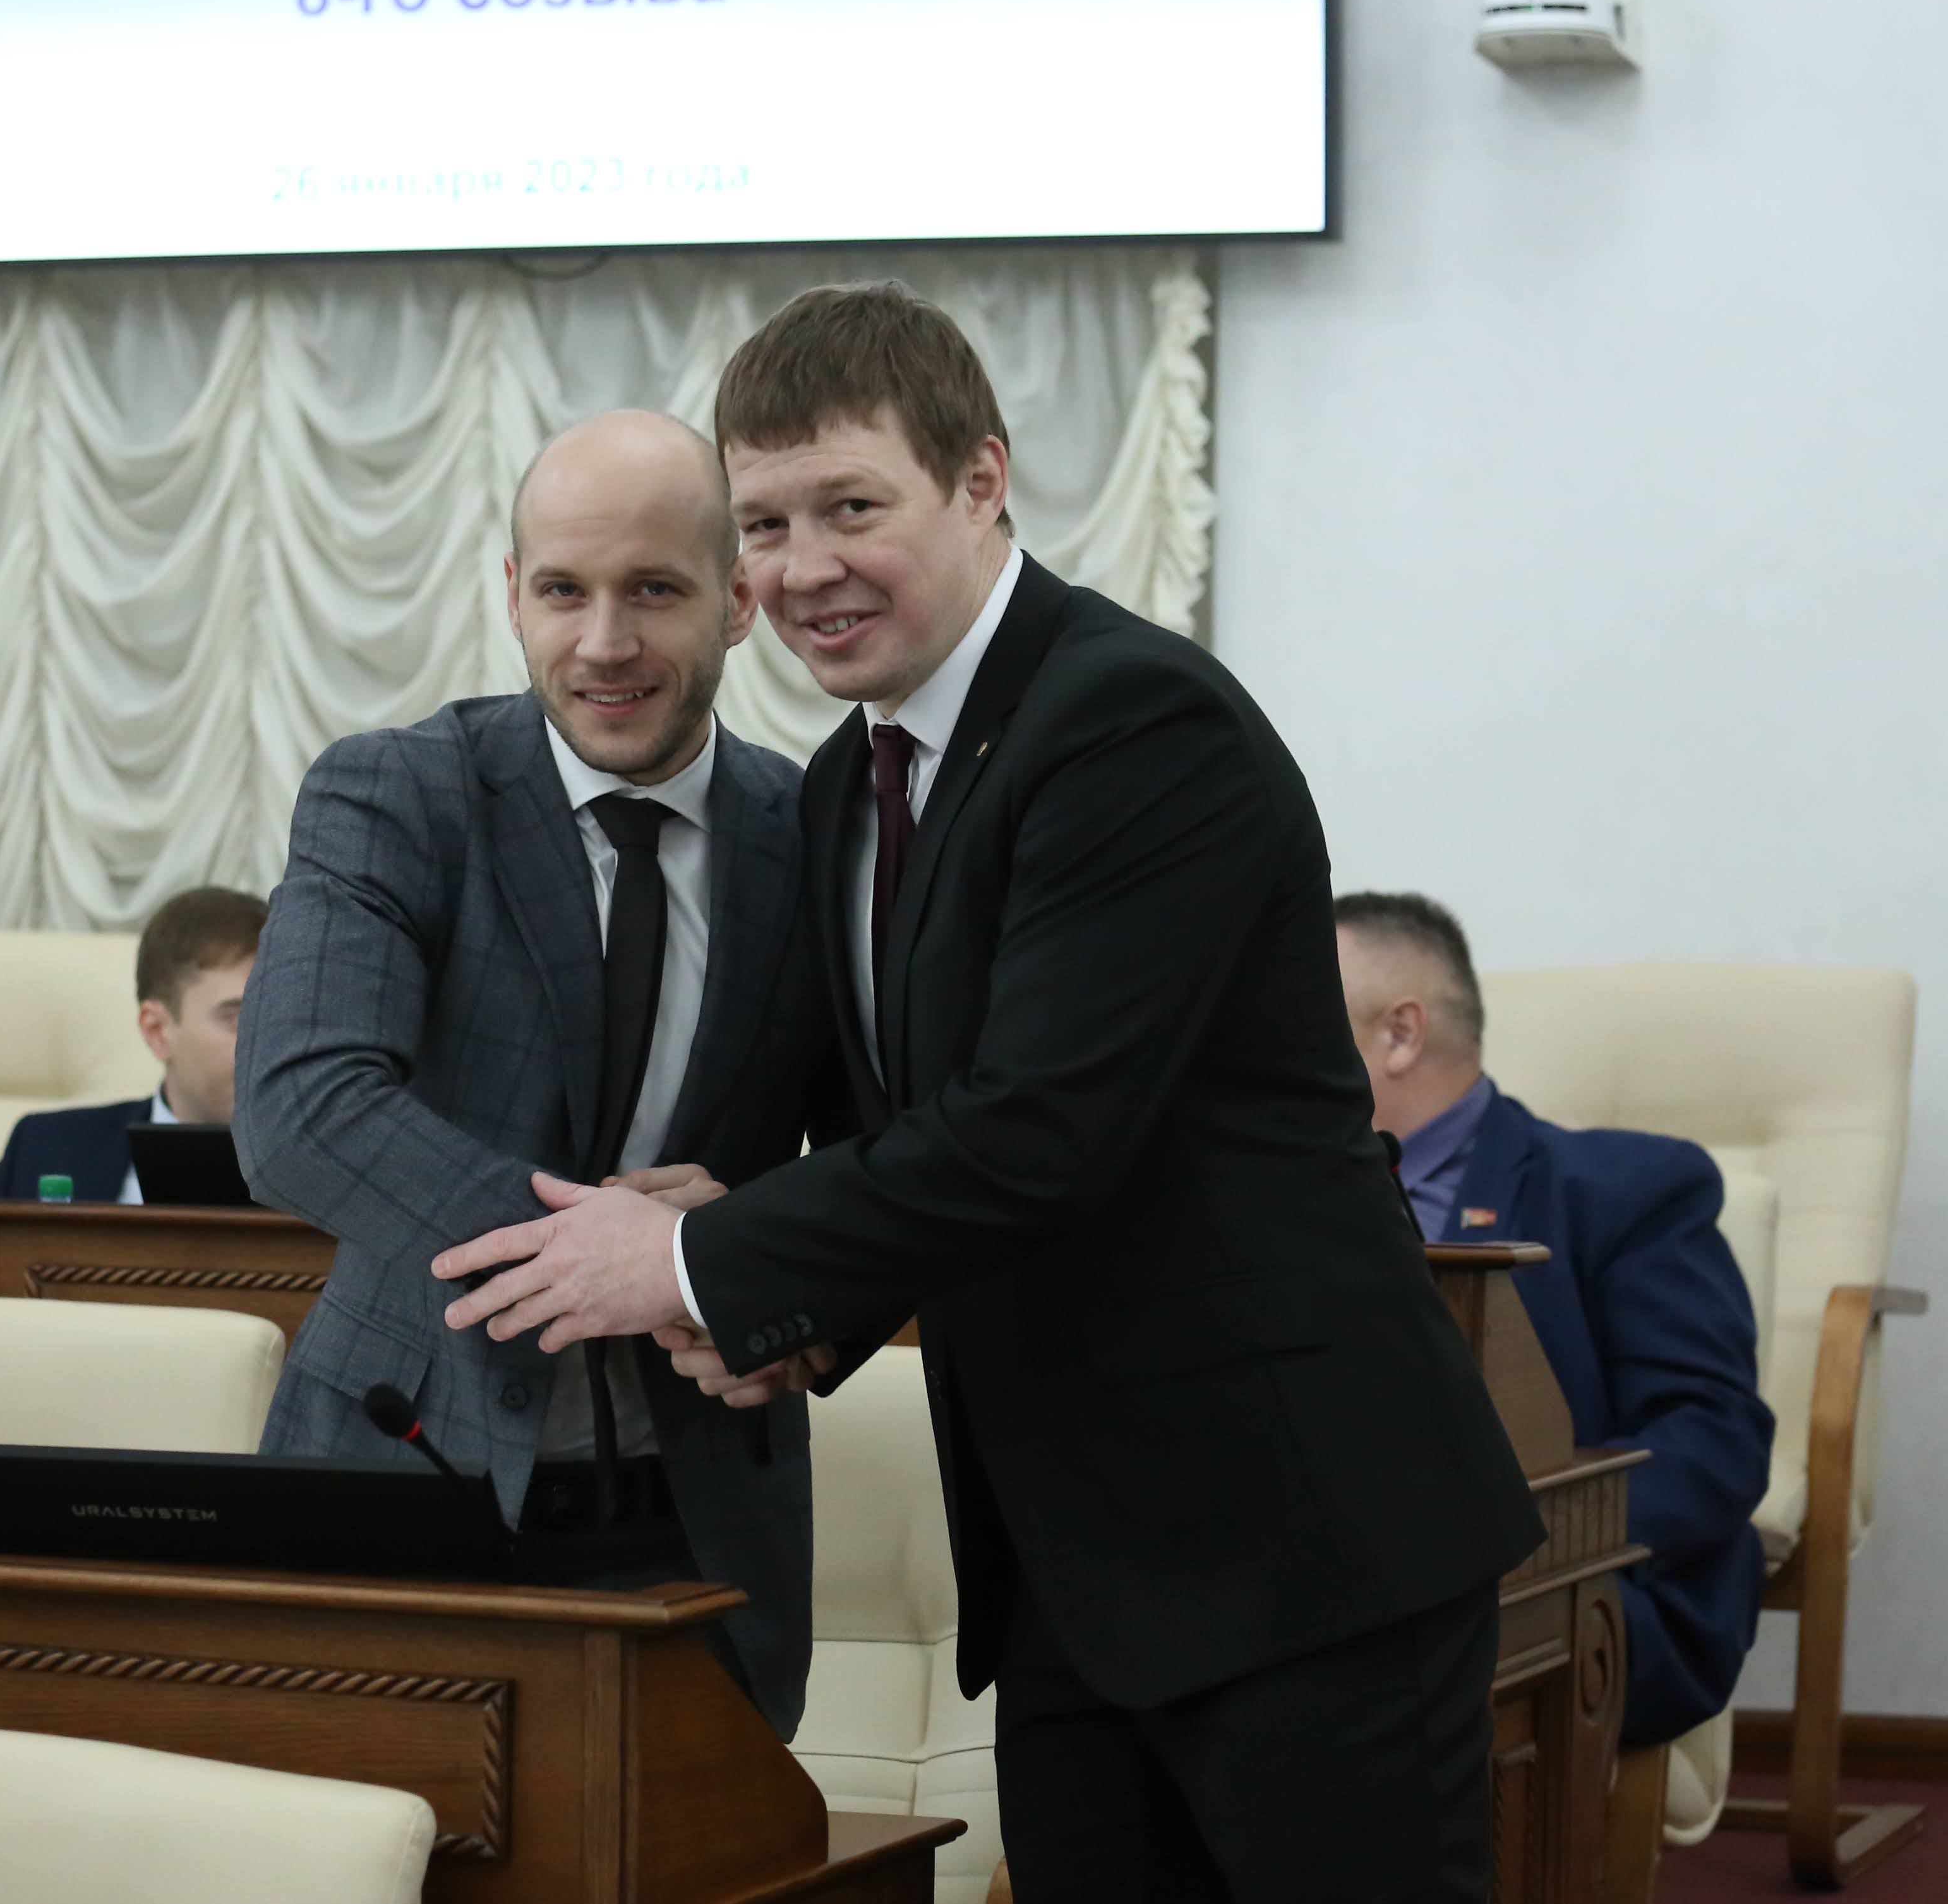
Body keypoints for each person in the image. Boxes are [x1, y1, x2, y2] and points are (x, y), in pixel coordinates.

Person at [435, 286, 1546, 1900]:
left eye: (850, 507)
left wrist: (681, 1260)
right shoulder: (847, 781)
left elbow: (1037, 1133)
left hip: (1296, 1545)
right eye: (765, 524)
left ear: (980, 482)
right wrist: (786, 1296)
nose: (802, 567)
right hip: (1070, 1572)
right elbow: (897, 1137)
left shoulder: (1130, 719)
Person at [231, 409, 841, 1735]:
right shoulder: (396, 795)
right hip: (403, 1482)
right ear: (513, 596)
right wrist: (631, 1257)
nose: (603, 643)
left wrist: (750, 1264)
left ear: (738, 600)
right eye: (564, 591)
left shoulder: (815, 830)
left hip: (703, 1527)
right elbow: (299, 1112)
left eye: (654, 591)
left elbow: (876, 1145)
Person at [1335, 890, 1773, 1749]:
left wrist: (1498, 1544)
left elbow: (1711, 1439)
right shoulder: (1267, 1207)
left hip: (1565, 1586)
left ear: (1399, 1034)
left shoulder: (1624, 1189)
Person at [0, 886, 267, 1203]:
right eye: (237, 1017)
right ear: (157, 1031)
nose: (273, 1042)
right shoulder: (43, 1148)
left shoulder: (314, 1168)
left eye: (285, 1019)